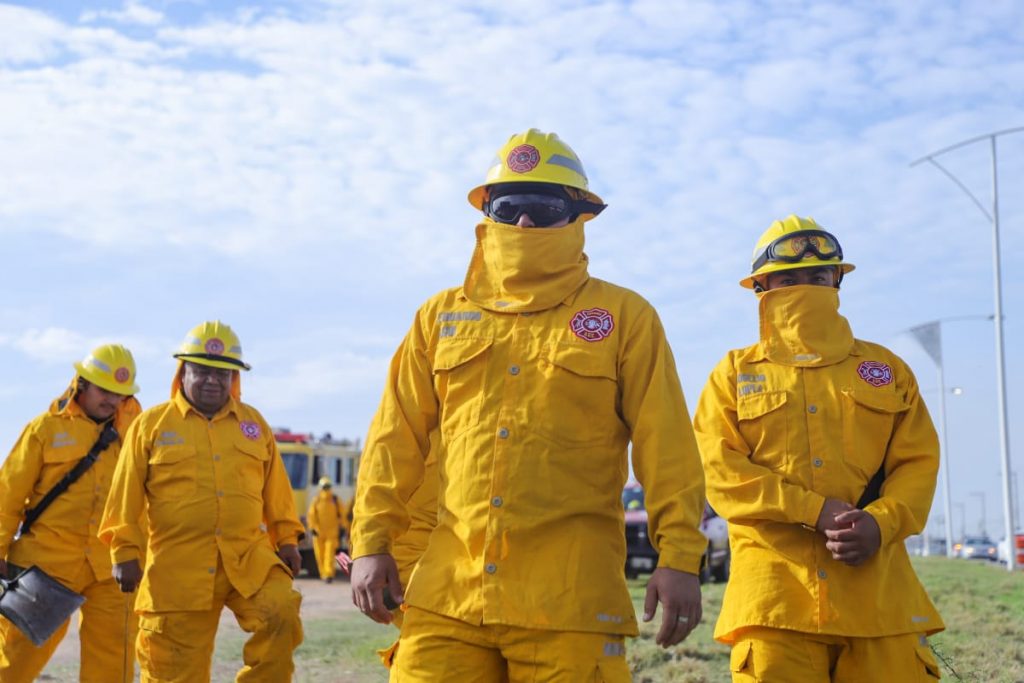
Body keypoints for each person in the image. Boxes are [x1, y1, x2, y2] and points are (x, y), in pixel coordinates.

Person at [350, 129, 707, 682]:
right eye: (507, 206)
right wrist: (371, 543)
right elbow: (393, 439)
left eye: (543, 207)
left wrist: (679, 556)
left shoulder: (624, 317)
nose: (523, 223)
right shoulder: (439, 317)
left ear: (579, 216)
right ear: (486, 213)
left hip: (571, 600)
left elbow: (668, 446)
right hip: (449, 594)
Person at [693, 215, 945, 682]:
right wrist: (814, 509)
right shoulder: (733, 374)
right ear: (761, 289)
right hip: (775, 606)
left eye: (818, 276)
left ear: (837, 282)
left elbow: (918, 463)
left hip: (879, 604)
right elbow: (717, 470)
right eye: (789, 279)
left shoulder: (886, 371)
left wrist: (880, 523)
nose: (805, 288)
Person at [99, 321, 304, 682]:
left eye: (222, 373)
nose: (213, 380)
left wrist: (286, 539)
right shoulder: (151, 425)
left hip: (247, 556)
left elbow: (276, 489)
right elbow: (124, 493)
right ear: (183, 372)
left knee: (281, 612)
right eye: (203, 371)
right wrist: (124, 551)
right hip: (178, 567)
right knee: (172, 669)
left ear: (234, 378)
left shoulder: (253, 424)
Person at [0, 344, 142, 683]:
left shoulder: (137, 435)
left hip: (113, 568)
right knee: (15, 660)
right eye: (104, 390)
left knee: (113, 664)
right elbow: (8, 495)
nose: (111, 400)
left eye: (120, 394)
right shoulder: (45, 429)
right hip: (46, 566)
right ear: (82, 384)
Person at [308, 476, 344, 583]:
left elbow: (342, 514)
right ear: (320, 487)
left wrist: (342, 527)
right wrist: (312, 528)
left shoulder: (335, 500)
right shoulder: (316, 500)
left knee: (329, 554)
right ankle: (323, 574)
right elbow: (311, 515)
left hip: (332, 532)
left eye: (328, 486)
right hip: (318, 532)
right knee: (320, 555)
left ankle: (328, 574)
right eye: (324, 486)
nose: (326, 489)